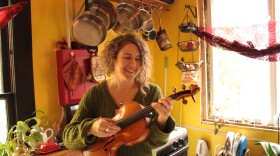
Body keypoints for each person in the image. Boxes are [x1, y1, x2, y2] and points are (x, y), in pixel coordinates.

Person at [62, 33, 175, 156]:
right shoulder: (95, 94)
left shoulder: (152, 92)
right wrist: (91, 127)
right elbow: (68, 139)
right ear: (113, 58)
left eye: (138, 59)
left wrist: (162, 121)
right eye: (127, 57)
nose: (133, 64)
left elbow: (155, 142)